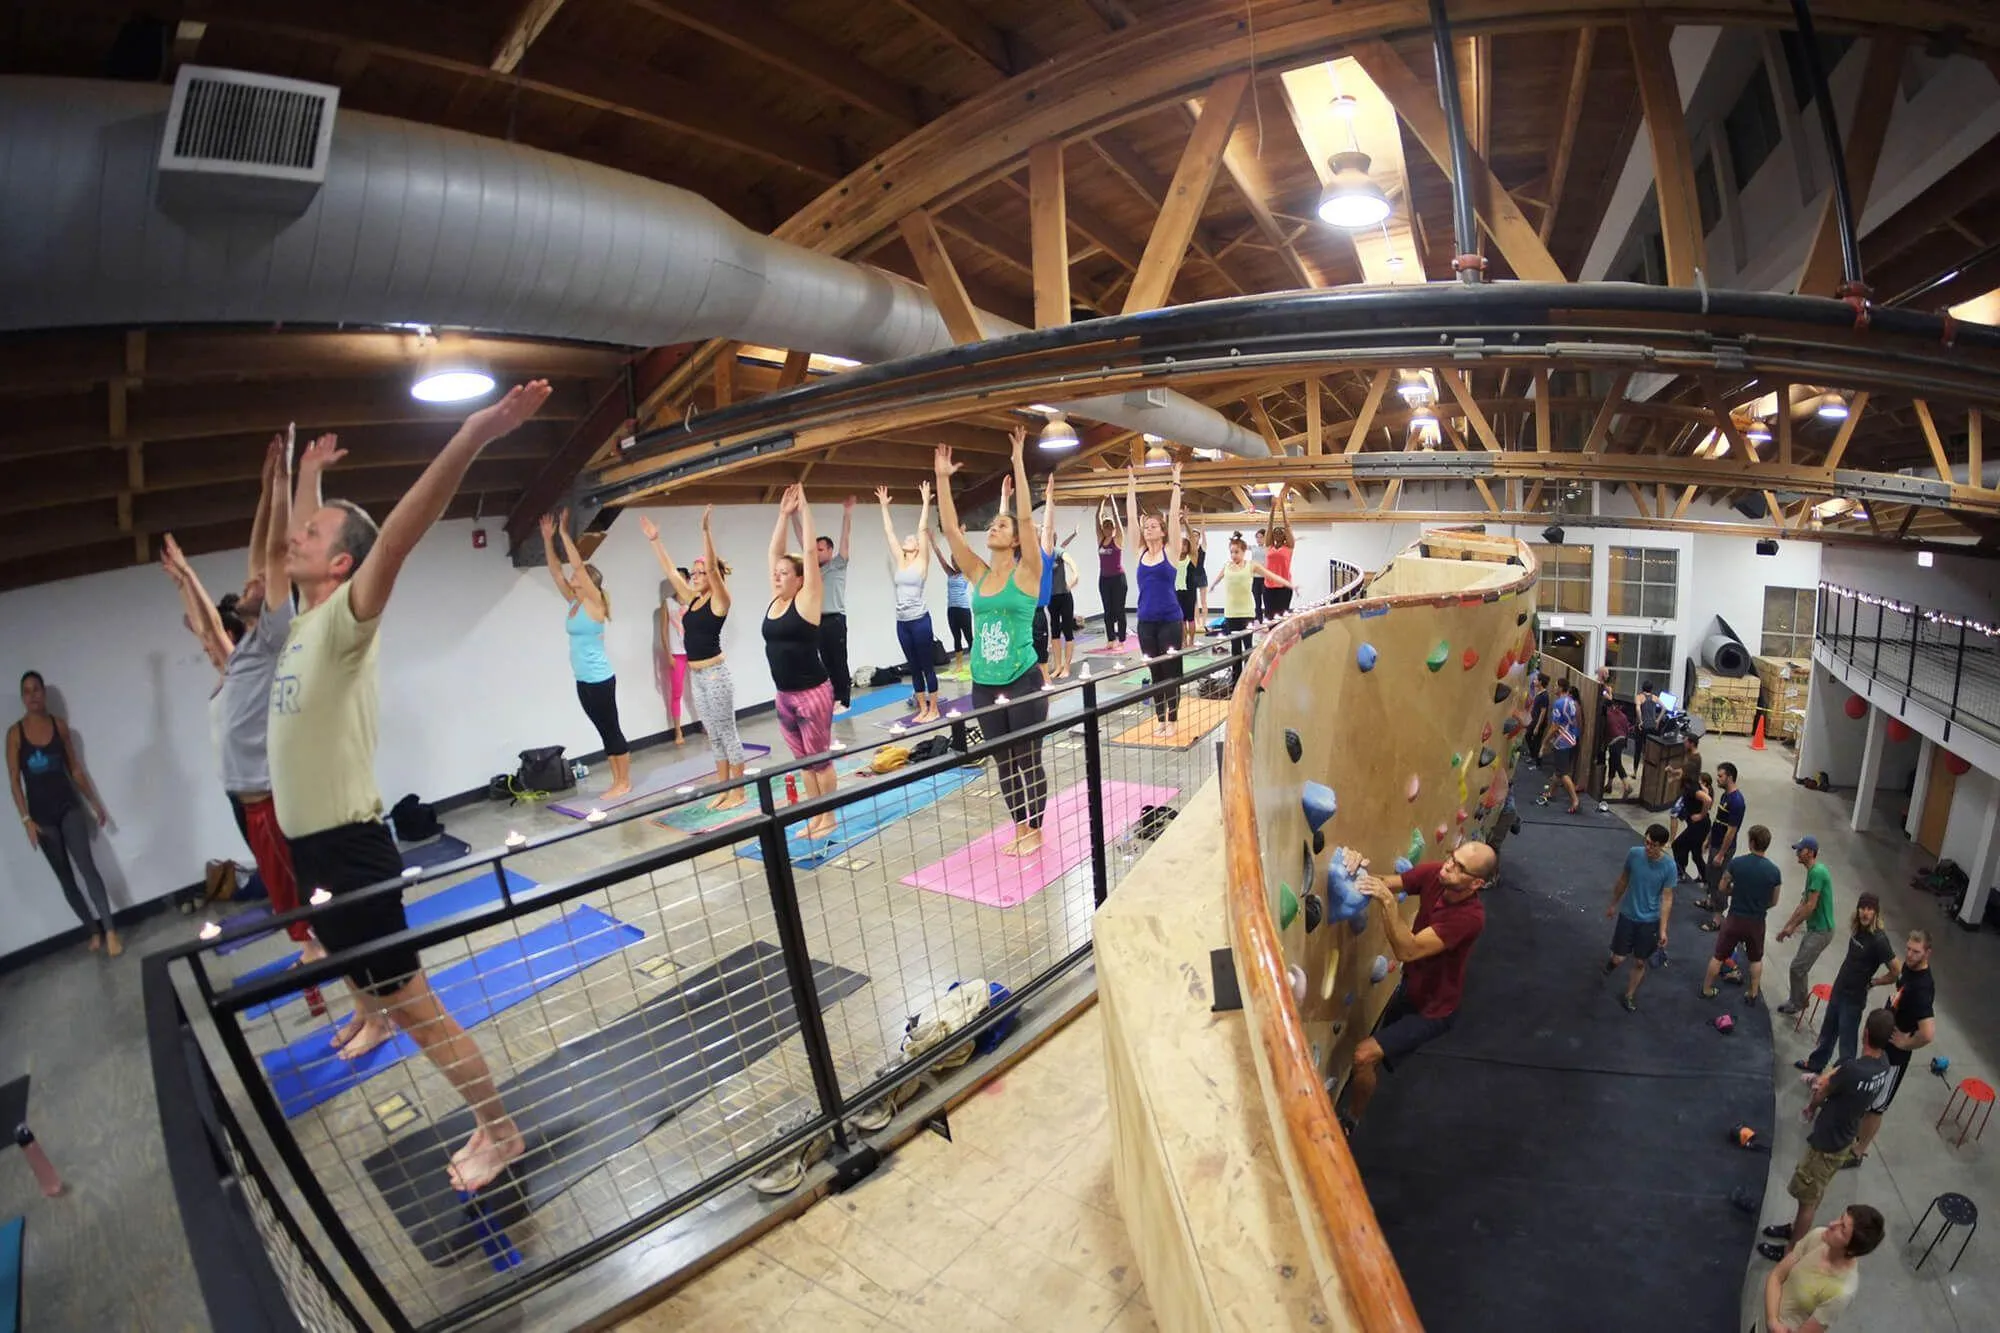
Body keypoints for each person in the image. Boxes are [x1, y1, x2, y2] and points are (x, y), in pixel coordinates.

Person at [271, 384, 549, 1193]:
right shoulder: (303, 615)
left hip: (355, 853)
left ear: (342, 565)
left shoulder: (348, 617)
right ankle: (371, 1013)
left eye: (315, 532)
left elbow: (397, 536)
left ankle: (501, 1130)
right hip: (310, 848)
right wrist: (307, 474)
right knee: (355, 972)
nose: (300, 535)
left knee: (420, 1009)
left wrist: (473, 434)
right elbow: (306, 531)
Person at [159, 437, 318, 962]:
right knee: (290, 903)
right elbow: (217, 616)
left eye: (258, 583)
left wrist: (280, 483)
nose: (250, 582)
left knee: (301, 906)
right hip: (248, 804)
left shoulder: (274, 633)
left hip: (268, 804)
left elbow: (271, 556)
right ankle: (321, 957)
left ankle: (334, 966)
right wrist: (261, 489)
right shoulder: (248, 648)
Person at [935, 428, 1046, 855]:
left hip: (1022, 679)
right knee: (1003, 760)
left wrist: (1018, 462)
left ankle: (1035, 827)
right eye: (992, 525)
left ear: (1015, 538)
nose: (992, 528)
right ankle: (1019, 827)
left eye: (1001, 525)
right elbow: (950, 528)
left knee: (1027, 756)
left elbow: (1026, 520)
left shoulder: (1028, 572)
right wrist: (944, 480)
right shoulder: (979, 575)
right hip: (984, 682)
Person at [1345, 841, 1497, 1126]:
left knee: (1363, 1056)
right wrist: (1354, 868)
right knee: (1374, 1057)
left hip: (1434, 1010)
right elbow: (1386, 882)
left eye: (1460, 867)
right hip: (1411, 989)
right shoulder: (1436, 873)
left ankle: (1351, 1120)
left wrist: (1388, 903)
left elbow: (1407, 950)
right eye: (1453, 857)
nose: (1449, 865)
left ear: (1476, 883)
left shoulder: (1470, 918)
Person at [1761, 1009, 1894, 1261]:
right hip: (1846, 1137)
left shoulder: (1852, 1069)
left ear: (1865, 1033)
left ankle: (1791, 1251)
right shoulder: (1884, 1065)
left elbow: (1821, 1089)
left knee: (1807, 1199)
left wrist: (1811, 1105)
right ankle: (1795, 1229)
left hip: (1827, 1140)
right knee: (1817, 1191)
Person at [641, 512, 745, 810]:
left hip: (715, 674)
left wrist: (705, 531)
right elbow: (673, 572)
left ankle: (739, 791)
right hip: (697, 676)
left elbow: (712, 567)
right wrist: (655, 541)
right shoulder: (694, 599)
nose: (696, 577)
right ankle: (723, 788)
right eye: (695, 574)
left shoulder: (719, 600)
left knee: (727, 731)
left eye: (701, 574)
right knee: (713, 734)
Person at [9, 671, 116, 954]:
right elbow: (14, 783)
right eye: (27, 691)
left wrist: (95, 803)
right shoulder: (15, 734)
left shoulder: (59, 726)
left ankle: (110, 930)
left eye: (36, 690)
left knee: (88, 868)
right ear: (23, 698)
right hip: (42, 819)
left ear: (44, 693)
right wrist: (26, 821)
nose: (32, 695)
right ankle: (92, 930)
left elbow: (76, 770)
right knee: (66, 878)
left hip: (69, 808)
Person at [539, 510, 630, 801]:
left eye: (578, 576)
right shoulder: (574, 603)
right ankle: (616, 779)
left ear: (588, 581)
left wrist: (565, 534)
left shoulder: (594, 604)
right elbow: (555, 570)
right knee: (603, 730)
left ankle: (624, 781)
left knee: (611, 728)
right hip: (583, 679)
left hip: (600, 678)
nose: (572, 576)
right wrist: (547, 540)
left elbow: (576, 564)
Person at [766, 486, 838, 840]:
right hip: (784, 695)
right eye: (775, 573)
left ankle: (829, 818)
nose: (777, 576)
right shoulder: (775, 601)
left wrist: (805, 508)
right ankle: (815, 816)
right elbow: (773, 553)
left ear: (799, 579)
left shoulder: (807, 599)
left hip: (812, 692)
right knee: (802, 762)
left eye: (783, 573)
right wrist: (782, 515)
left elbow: (808, 551)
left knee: (819, 758)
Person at [1843, 929, 1934, 1169]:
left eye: (1917, 952)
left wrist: (1906, 1042)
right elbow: (1897, 982)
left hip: (1894, 1058)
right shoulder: (1909, 969)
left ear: (1928, 953)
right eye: (1909, 949)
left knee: (1877, 1106)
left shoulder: (1923, 988)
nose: (1911, 955)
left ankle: (1858, 1152)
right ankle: (1857, 1139)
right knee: (1869, 1100)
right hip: (1883, 1045)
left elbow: (1928, 1033)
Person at [1797, 892, 1900, 1076]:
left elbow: (1895, 970)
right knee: (1828, 1031)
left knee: (1847, 1043)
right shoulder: (1858, 928)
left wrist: (1875, 981)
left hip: (1854, 998)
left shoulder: (1879, 940)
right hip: (1840, 988)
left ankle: (1845, 1078)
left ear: (1876, 912)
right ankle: (1816, 1063)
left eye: (1869, 909)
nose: (1865, 913)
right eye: (1862, 908)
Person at [1128, 463, 1187, 737]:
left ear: (1162, 532)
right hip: (1146, 622)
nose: (1149, 528)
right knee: (1154, 673)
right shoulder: (1140, 551)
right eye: (1146, 526)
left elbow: (1173, 517)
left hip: (1170, 621)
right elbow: (1130, 517)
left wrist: (1175, 482)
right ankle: (1160, 720)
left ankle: (1173, 721)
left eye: (1154, 526)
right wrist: (1130, 485)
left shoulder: (1171, 551)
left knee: (1170, 672)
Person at [1762, 1204, 1885, 1331]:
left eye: (1842, 1230)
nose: (1832, 1224)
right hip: (1767, 1321)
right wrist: (1772, 1320)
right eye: (1840, 1218)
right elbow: (1776, 1276)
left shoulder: (1841, 1292)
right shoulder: (1819, 1236)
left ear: (1851, 1250)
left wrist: (1774, 1326)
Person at [876, 483, 941, 723]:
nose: (909, 538)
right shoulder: (901, 561)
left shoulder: (922, 561)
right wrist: (884, 507)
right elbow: (889, 532)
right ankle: (922, 708)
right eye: (908, 538)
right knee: (913, 667)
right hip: (902, 622)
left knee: (926, 666)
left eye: (912, 539)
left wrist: (925, 501)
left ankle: (934, 708)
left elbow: (922, 529)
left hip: (920, 621)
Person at [1700, 823, 1782, 1003]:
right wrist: (1759, 905)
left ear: (1751, 842)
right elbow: (1774, 901)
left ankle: (1707, 989)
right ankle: (1752, 993)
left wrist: (1734, 892)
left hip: (1735, 918)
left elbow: (1722, 887)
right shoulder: (1774, 872)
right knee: (1755, 959)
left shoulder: (1737, 863)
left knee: (1719, 955)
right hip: (1757, 921)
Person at [1601, 823, 1676, 1011]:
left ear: (1663, 846)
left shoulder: (1669, 867)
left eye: (1654, 845)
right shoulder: (1634, 854)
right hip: (1628, 915)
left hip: (1649, 921)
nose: (1648, 848)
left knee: (1641, 961)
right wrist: (1613, 904)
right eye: (1647, 842)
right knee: (1618, 958)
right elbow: (1623, 879)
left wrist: (1663, 929)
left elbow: (1667, 899)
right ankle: (1612, 963)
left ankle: (1629, 995)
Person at [794, 495, 853, 715]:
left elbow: (845, 538)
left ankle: (844, 700)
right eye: (815, 550)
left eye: (820, 549)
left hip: (835, 618)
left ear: (829, 550)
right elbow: (803, 541)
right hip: (817, 620)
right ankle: (831, 697)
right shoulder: (812, 568)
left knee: (839, 660)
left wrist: (847, 514)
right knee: (824, 661)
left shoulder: (839, 564)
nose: (817, 552)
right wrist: (793, 515)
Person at [1209, 534, 1290, 687]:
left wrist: (1288, 584)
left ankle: (1251, 679)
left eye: (1236, 552)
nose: (1234, 555)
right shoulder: (1227, 566)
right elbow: (1217, 579)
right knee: (1235, 649)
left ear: (1244, 551)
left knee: (1248, 648)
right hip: (1231, 613)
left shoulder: (1251, 565)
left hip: (1246, 612)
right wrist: (1212, 586)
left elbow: (1271, 575)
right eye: (1231, 552)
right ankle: (1236, 681)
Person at [1775, 837, 1837, 1017]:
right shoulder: (1813, 871)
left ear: (1810, 852)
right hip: (1815, 929)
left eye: (1800, 850)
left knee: (1797, 967)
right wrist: (1788, 926)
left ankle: (1797, 1002)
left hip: (1822, 930)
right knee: (1800, 967)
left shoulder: (1817, 872)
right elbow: (1803, 903)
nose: (1797, 853)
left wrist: (1793, 926)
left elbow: (1811, 906)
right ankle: (1800, 999)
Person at [1040, 477, 1079, 679]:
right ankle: (1057, 665)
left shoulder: (1057, 551)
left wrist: (1074, 576)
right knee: (1054, 632)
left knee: (1067, 631)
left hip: (1064, 596)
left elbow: (1071, 562)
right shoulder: (1040, 556)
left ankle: (1067, 667)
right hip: (1050, 599)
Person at [1701, 762, 1747, 908]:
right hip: (1715, 843)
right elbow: (1718, 820)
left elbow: (1731, 831)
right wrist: (1708, 839)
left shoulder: (1737, 802)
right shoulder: (1724, 796)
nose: (1717, 779)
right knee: (1711, 877)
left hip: (1723, 847)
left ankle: (1718, 917)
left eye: (1720, 776)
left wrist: (1721, 854)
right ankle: (1710, 902)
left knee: (1720, 880)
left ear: (1730, 777)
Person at [1536, 677, 1581, 814]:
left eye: (1556, 686)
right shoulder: (1572, 702)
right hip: (1572, 739)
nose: (1554, 688)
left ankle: (1575, 800)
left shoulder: (1559, 703)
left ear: (1561, 688)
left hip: (1563, 741)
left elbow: (1554, 726)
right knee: (1558, 770)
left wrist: (1544, 743)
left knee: (1563, 773)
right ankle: (1551, 792)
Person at [654, 573, 687, 746]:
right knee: (677, 692)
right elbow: (663, 631)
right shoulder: (667, 603)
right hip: (677, 652)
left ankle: (706, 724)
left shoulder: (694, 599)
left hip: (695, 651)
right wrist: (668, 653)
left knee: (700, 688)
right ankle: (678, 730)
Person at [1670, 770, 1714, 882]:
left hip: (1698, 825)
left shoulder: (1692, 789)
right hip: (1700, 825)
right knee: (1696, 853)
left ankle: (1680, 872)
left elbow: (1708, 800)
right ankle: (1705, 878)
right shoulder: (1693, 786)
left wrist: (1700, 815)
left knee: (1677, 845)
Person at [1096, 502, 1127, 649]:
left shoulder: (1118, 540)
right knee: (1108, 610)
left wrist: (1113, 503)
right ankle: (1110, 639)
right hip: (1104, 579)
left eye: (1110, 527)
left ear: (1113, 528)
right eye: (1105, 527)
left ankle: (1121, 639)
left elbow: (1119, 523)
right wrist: (1102, 503)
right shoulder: (1101, 540)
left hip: (1118, 579)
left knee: (1119, 609)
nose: (1108, 529)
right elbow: (1097, 519)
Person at [938, 544, 974, 658]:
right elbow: (941, 560)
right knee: (956, 637)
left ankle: (975, 662)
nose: (954, 563)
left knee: (969, 637)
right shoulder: (951, 574)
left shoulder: (966, 574)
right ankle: (959, 666)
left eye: (956, 560)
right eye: (952, 561)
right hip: (951, 610)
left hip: (963, 609)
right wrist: (933, 544)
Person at [1262, 525, 1295, 617]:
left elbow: (1288, 526)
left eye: (1281, 533)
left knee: (1282, 616)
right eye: (1276, 532)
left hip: (1284, 586)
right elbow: (1269, 526)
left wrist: (1283, 511)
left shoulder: (1288, 548)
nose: (1278, 534)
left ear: (1285, 535)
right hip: (1269, 586)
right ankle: (1271, 631)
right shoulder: (1269, 547)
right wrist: (1272, 511)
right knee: (1269, 615)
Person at [1524, 671, 1551, 768]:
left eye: (1536, 680)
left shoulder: (1544, 695)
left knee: (1537, 741)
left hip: (1539, 722)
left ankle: (1538, 762)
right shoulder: (1538, 693)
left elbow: (1543, 712)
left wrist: (1537, 726)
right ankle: (1533, 756)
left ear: (1540, 682)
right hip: (1534, 719)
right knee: (1528, 736)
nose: (1534, 681)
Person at [1249, 528, 1268, 620]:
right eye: (1257, 537)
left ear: (1265, 538)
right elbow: (1241, 546)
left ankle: (1268, 617)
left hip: (1265, 578)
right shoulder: (1253, 547)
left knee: (1267, 600)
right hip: (1256, 578)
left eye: (1261, 537)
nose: (1259, 539)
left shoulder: (1268, 548)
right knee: (1257, 601)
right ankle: (1259, 619)